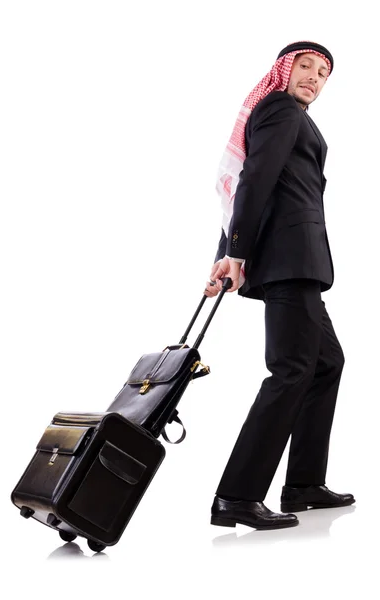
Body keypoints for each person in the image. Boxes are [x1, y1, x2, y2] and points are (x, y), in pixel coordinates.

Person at [205, 41, 355, 530]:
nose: (314, 77)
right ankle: (237, 496)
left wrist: (226, 253)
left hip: (297, 259)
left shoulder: (294, 116)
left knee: (326, 363)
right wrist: (232, 253)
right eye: (305, 67)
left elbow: (256, 185)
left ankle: (304, 485)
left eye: (323, 72)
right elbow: (255, 178)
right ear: (283, 72)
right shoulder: (280, 109)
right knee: (292, 369)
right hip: (290, 258)